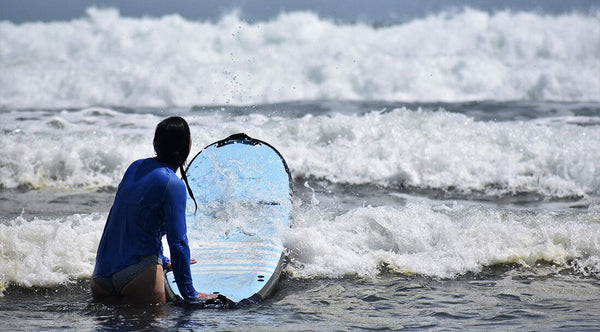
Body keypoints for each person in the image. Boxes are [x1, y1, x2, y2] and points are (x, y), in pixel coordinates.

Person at [91, 116, 216, 305]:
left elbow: (129, 222)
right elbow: (178, 242)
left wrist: (165, 262)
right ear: (187, 145)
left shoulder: (135, 167)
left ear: (156, 143)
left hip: (101, 277)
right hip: (139, 276)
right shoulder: (172, 184)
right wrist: (191, 294)